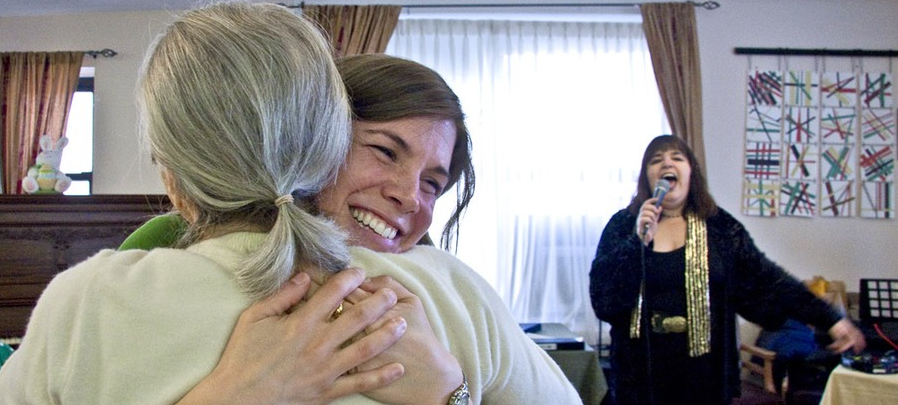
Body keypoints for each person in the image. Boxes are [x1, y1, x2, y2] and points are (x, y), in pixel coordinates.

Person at [0, 3, 420, 403]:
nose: (413, 195)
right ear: (332, 151)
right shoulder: (433, 293)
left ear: (171, 175)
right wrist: (449, 392)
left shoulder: (88, 304)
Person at [589, 135, 865, 405]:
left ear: (691, 171)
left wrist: (829, 318)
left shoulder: (720, 228)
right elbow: (604, 301)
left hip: (703, 378)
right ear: (646, 176)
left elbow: (769, 280)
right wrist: (636, 242)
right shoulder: (623, 226)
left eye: (677, 157)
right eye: (656, 160)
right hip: (638, 377)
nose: (666, 164)